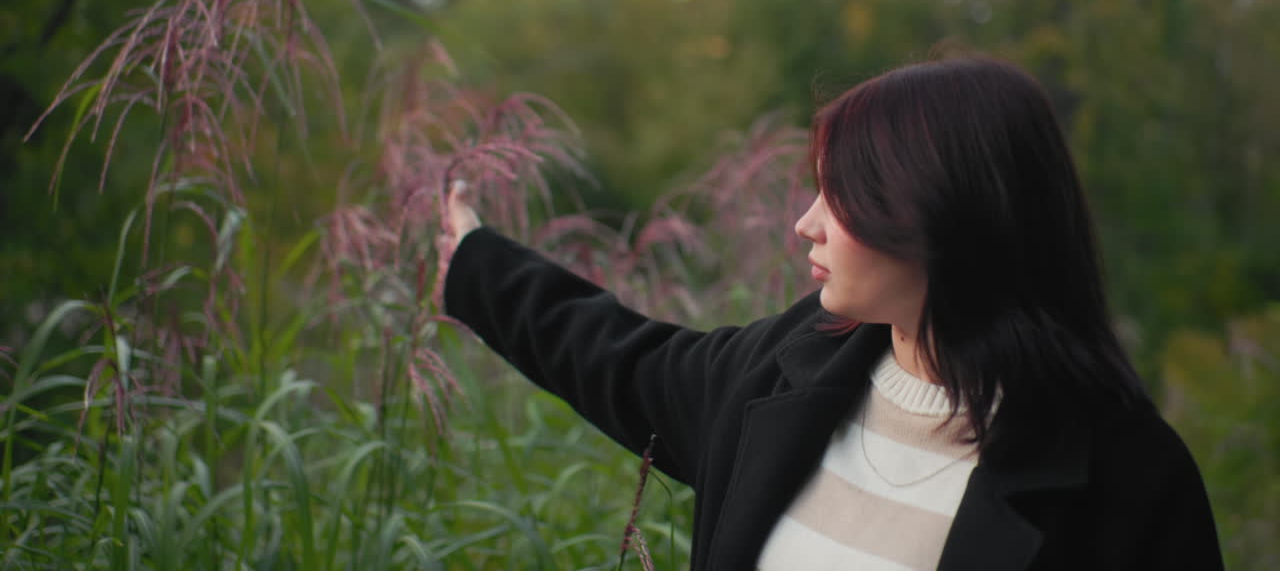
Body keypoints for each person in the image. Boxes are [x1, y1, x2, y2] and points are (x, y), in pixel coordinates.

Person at [440, 56, 1224, 570]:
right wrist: (477, 263)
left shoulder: (1128, 482)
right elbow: (620, 358)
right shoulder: (786, 372)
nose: (805, 223)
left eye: (838, 194)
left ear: (934, 215)